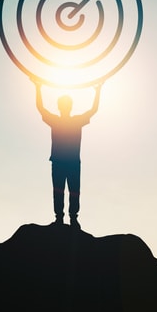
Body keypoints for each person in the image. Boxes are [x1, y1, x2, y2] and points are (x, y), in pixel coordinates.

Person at [35, 81, 102, 226]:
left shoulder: (70, 121)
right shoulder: (69, 121)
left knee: (71, 191)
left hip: (67, 162)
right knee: (65, 191)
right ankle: (64, 218)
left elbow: (93, 110)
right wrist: (98, 91)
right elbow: (93, 110)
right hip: (65, 162)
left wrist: (38, 88)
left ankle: (70, 218)